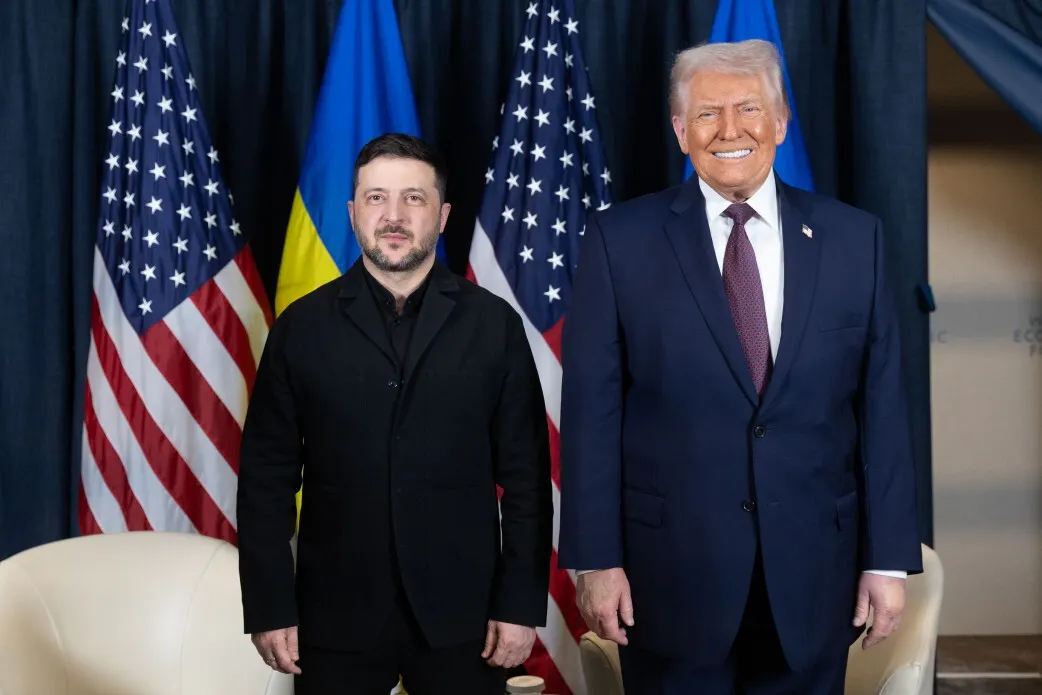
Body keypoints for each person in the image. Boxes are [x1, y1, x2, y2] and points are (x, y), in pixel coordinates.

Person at [557, 39, 922, 695]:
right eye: (707, 113)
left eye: (749, 108)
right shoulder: (619, 242)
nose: (730, 129)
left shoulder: (853, 239)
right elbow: (591, 413)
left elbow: (883, 408)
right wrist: (595, 560)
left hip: (815, 577)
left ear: (780, 122)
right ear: (679, 129)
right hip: (667, 583)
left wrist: (888, 559)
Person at [236, 133, 554, 695]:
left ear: (443, 212)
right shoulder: (300, 328)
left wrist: (521, 604)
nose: (394, 215)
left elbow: (527, 480)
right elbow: (265, 481)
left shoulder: (494, 325)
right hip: (332, 617)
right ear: (353, 212)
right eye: (377, 198)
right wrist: (268, 605)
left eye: (414, 198)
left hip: (467, 617)